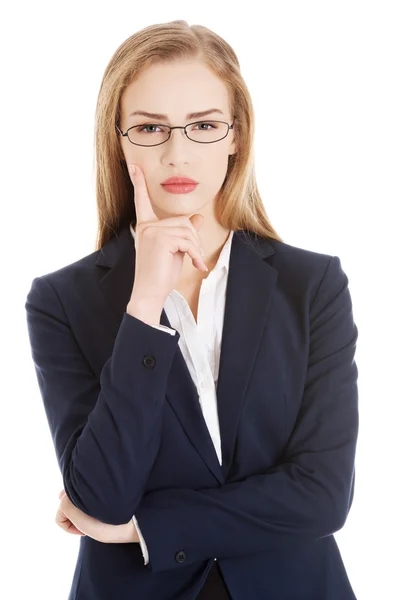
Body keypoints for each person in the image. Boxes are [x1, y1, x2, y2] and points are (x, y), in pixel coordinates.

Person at [25, 19, 359, 600]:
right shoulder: (62, 300)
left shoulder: (311, 285)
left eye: (203, 125)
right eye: (150, 127)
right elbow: (100, 495)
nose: (178, 152)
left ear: (236, 136)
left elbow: (323, 494)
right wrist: (144, 302)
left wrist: (146, 528)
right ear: (119, 138)